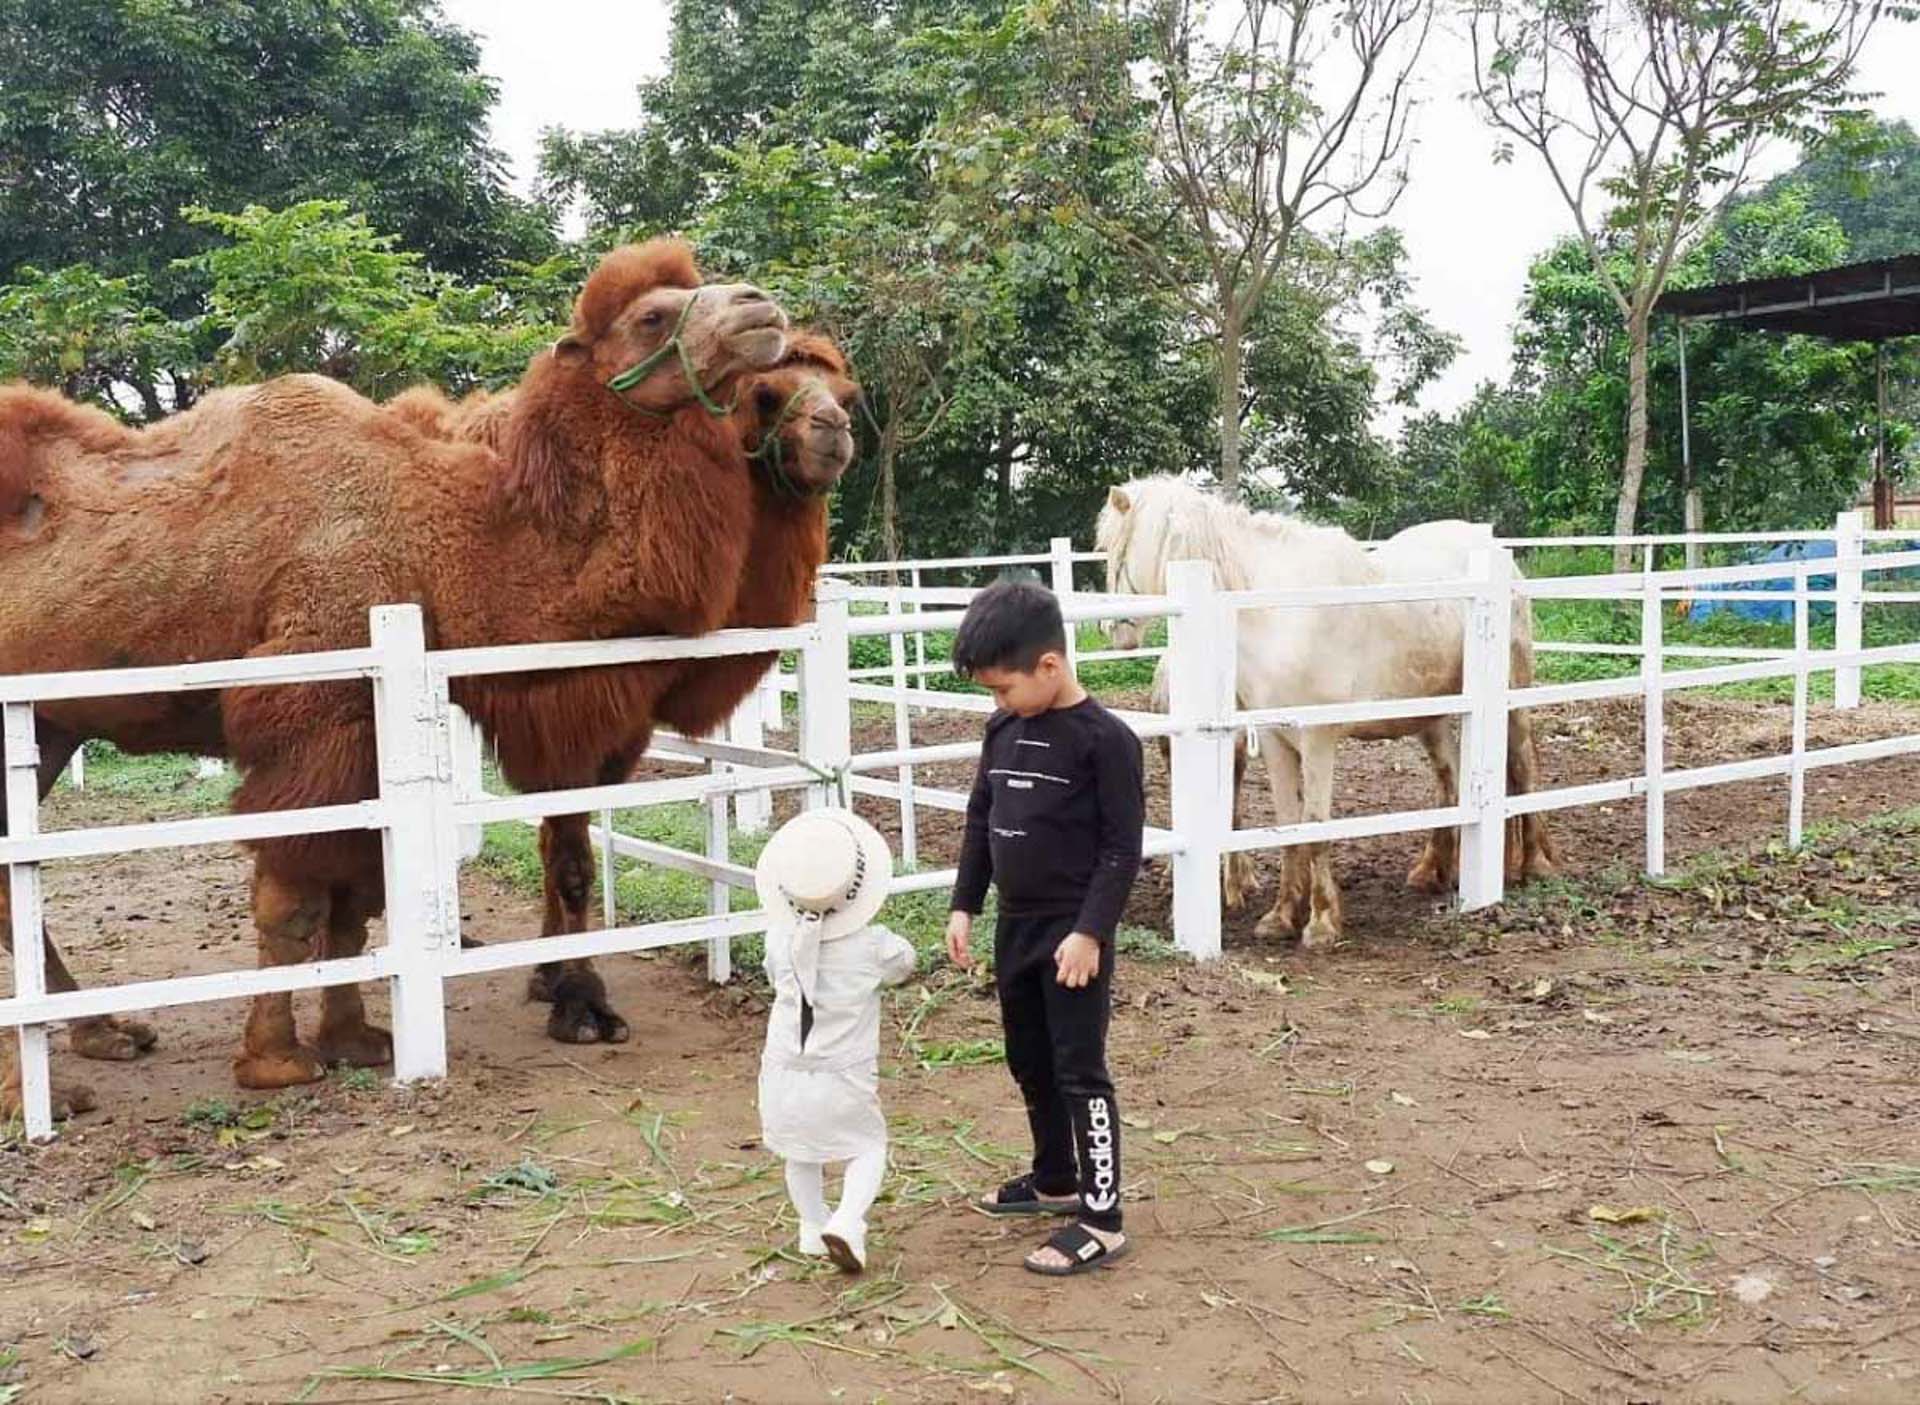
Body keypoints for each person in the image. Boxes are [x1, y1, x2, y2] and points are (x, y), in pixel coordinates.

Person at [945, 578, 1145, 1275]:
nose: (998, 703)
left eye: (1004, 688)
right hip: (1016, 928)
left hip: (1072, 939)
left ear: (1051, 667)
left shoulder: (1107, 743)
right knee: (1028, 1058)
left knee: (1078, 1069)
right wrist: (965, 903)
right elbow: (980, 817)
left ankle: (1102, 1214)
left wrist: (1091, 931)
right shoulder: (1002, 728)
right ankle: (1055, 1176)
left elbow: (1123, 848)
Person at [755, 807, 918, 1274]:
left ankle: (811, 1226)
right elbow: (903, 963)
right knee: (867, 1145)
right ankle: (847, 1220)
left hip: (784, 1064)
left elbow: (774, 978)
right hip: (843, 1069)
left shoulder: (778, 938)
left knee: (797, 1150)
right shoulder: (873, 945)